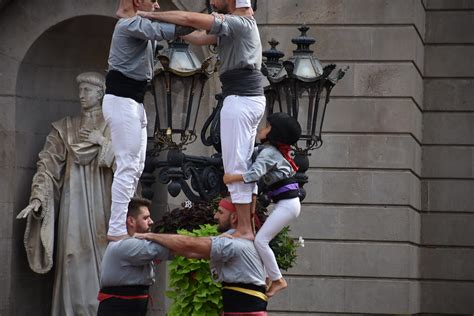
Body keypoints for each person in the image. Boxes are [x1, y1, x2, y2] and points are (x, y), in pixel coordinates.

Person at [137, 0, 266, 240]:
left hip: (240, 99)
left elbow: (189, 20)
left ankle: (244, 229)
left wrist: (148, 15)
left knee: (235, 167)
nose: (211, 3)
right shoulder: (239, 27)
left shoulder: (239, 23)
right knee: (244, 166)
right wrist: (172, 29)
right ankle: (247, 226)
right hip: (248, 99)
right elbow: (196, 36)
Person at [16, 72, 114, 316]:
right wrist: (38, 197)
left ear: (100, 93)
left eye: (87, 90)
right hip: (74, 205)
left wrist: (102, 141)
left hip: (104, 203)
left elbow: (130, 163)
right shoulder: (65, 127)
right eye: (79, 90)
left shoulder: (112, 126)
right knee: (71, 257)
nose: (81, 96)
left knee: (104, 258)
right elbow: (47, 166)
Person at [103, 0, 194, 240]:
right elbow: (173, 29)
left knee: (135, 168)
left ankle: (126, 225)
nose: (156, 3)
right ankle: (116, 230)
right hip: (122, 101)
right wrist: (201, 19)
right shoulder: (129, 25)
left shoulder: (137, 23)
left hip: (132, 103)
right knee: (128, 166)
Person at [136, 197, 268, 315]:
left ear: (234, 218)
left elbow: (189, 246)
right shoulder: (246, 242)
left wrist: (150, 236)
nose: (215, 216)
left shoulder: (233, 244)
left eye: (220, 212)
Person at [223, 112, 302, 297]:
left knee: (261, 240)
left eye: (266, 127)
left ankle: (278, 280)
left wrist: (230, 177)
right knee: (263, 239)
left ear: (274, 134)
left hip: (288, 205)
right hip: (287, 204)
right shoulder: (270, 151)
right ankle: (268, 276)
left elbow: (253, 175)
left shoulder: (269, 153)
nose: (262, 129)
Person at [97, 197, 169, 316]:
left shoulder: (130, 243)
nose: (151, 221)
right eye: (145, 218)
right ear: (131, 221)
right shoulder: (127, 245)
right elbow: (168, 250)